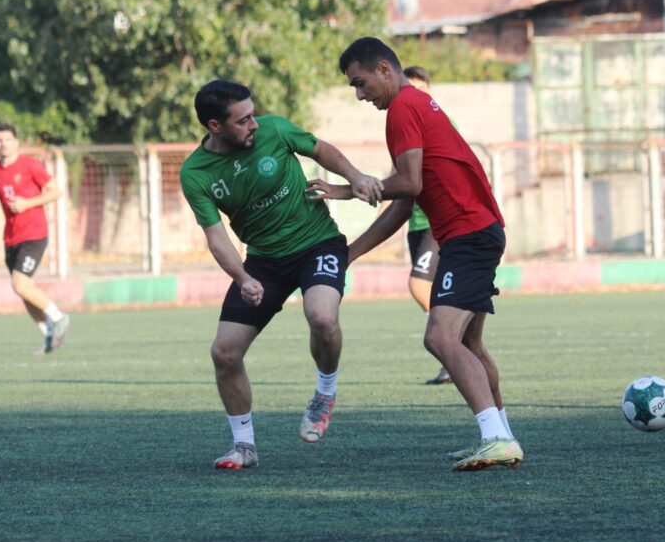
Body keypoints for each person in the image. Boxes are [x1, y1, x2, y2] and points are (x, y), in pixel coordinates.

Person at [309, 37, 523, 472]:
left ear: (384, 69)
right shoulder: (416, 104)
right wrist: (350, 254)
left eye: (360, 83)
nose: (360, 94)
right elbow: (406, 203)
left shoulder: (404, 107)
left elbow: (408, 185)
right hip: (476, 230)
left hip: (468, 234)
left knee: (439, 338)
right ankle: (501, 435)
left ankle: (496, 437)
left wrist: (347, 190)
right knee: (468, 341)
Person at [179, 79, 381, 471]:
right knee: (224, 352)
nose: (254, 124)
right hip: (264, 262)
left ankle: (325, 392)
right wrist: (242, 278)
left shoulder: (274, 129)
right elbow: (216, 238)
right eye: (242, 120)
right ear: (214, 127)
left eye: (253, 114)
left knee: (322, 316)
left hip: (317, 243)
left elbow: (321, 149)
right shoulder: (195, 173)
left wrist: (354, 177)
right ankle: (244, 446)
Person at [0, 123, 71, 355]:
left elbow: (55, 191)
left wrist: (26, 204)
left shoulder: (31, 165)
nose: (3, 144)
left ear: (16, 142)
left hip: (34, 234)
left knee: (20, 284)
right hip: (11, 239)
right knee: (23, 290)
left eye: (7, 139)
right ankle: (49, 334)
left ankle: (59, 318)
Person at [403, 65, 452, 386]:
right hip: (416, 224)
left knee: (419, 285)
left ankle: (449, 343)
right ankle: (453, 349)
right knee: (428, 288)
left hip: (437, 221)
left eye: (421, 88)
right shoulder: (405, 125)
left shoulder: (438, 122)